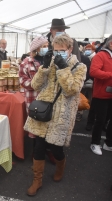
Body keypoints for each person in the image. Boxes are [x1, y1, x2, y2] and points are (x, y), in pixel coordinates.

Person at [24, 33, 86, 196]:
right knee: (38, 147)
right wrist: (43, 68)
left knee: (56, 149)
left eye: (61, 50)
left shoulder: (80, 67)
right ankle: (37, 180)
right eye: (55, 50)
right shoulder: (49, 63)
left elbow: (72, 90)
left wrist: (64, 68)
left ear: (70, 49)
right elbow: (35, 85)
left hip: (61, 115)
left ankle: (60, 167)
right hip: (43, 112)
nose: (57, 53)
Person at [19, 36, 56, 165]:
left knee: (49, 124)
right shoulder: (26, 62)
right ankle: (36, 152)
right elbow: (22, 80)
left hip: (49, 98)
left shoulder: (52, 61)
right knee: (36, 125)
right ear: (37, 48)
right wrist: (35, 84)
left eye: (47, 46)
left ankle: (49, 150)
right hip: (34, 99)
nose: (47, 48)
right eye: (44, 46)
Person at [89, 34, 112, 155]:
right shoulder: (101, 55)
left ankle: (108, 143)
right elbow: (93, 72)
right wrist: (110, 74)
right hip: (101, 94)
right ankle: (95, 143)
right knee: (100, 120)